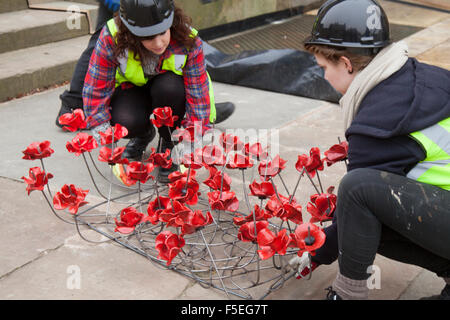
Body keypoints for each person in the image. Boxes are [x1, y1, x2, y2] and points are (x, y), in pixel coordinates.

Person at [290, 0, 450, 300]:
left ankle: (347, 294)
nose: (323, 76)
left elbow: (355, 204)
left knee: (358, 194)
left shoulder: (380, 122)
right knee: (375, 214)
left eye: (324, 67)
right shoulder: (419, 76)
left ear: (347, 64)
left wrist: (318, 252)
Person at [78, 0, 234, 183]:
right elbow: (95, 89)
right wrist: (108, 148)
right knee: (126, 120)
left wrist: (190, 144)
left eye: (162, 33)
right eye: (149, 37)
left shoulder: (188, 40)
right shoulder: (111, 37)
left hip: (171, 91)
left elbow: (198, 96)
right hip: (133, 90)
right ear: (131, 33)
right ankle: (142, 134)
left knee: (169, 88)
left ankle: (169, 142)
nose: (159, 43)